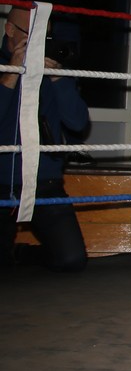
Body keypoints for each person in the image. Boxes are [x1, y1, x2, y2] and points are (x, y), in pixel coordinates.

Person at [0, 17, 88, 271]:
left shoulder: (52, 68)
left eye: (44, 34)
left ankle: (20, 255)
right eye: (32, 31)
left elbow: (78, 122)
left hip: (44, 182)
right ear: (10, 29)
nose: (38, 39)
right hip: (1, 181)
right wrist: (11, 73)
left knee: (72, 259)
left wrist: (57, 77)